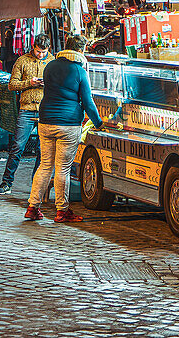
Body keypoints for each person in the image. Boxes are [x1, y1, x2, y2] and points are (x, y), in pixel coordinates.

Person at [25, 33, 104, 224]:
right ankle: (62, 211)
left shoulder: (50, 65)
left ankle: (32, 207)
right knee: (62, 169)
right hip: (67, 124)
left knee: (45, 165)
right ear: (80, 50)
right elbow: (87, 101)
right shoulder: (79, 70)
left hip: (45, 121)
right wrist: (99, 122)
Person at [0, 33, 53, 196]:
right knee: (17, 147)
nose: (41, 55)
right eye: (38, 51)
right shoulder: (22, 61)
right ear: (33, 47)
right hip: (26, 109)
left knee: (43, 150)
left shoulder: (52, 62)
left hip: (45, 111)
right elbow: (12, 85)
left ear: (48, 49)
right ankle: (6, 182)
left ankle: (37, 184)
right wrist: (30, 83)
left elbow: (57, 85)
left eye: (44, 51)